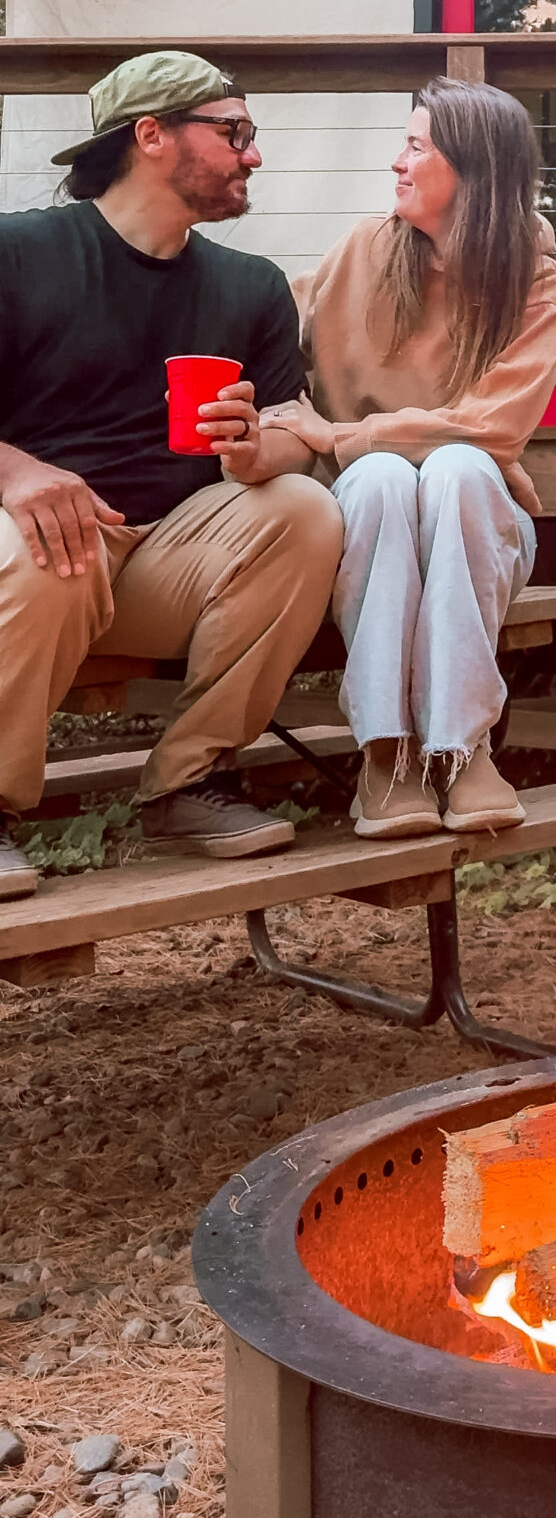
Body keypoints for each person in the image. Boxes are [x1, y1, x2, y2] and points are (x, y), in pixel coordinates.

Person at [0, 52, 344, 902]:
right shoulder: (17, 254)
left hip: (169, 560)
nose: (252, 154)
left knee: (303, 507)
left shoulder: (251, 286)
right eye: (234, 132)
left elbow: (292, 428)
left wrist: (265, 453)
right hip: (35, 555)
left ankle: (189, 784)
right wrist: (14, 472)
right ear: (150, 135)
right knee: (55, 538)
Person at [259, 78, 556, 842]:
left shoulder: (534, 281)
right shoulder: (364, 250)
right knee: (385, 477)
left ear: (473, 170)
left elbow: (489, 429)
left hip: (479, 522)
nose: (397, 162)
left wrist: (338, 436)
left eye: (416, 146)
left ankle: (464, 752)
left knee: (460, 469)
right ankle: (387, 756)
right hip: (367, 514)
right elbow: (269, 333)